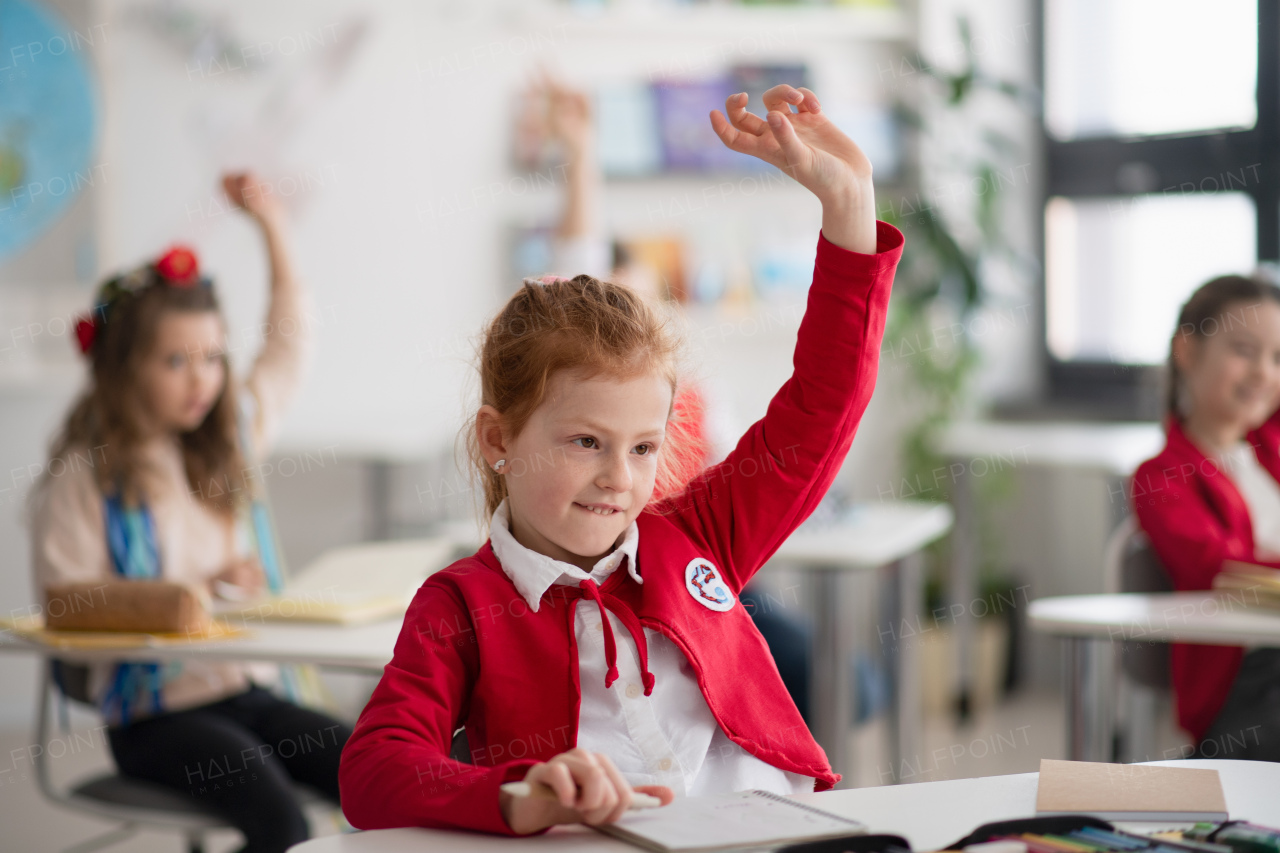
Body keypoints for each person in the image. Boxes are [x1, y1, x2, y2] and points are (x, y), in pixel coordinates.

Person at [339, 83, 903, 835]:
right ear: (498, 439)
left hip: (788, 830)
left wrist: (849, 207)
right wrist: (519, 792)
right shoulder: (460, 605)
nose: (619, 477)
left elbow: (823, 404)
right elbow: (375, 766)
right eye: (585, 443)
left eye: (643, 447)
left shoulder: (699, 533)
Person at [29, 173, 351, 853]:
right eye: (176, 359)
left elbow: (291, 345)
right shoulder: (85, 479)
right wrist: (194, 594)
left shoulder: (227, 442)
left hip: (247, 690)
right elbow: (67, 602)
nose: (202, 376)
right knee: (279, 817)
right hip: (156, 715)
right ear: (123, 367)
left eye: (212, 356)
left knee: (365, 768)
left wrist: (269, 224)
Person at [535, 72, 814, 718]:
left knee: (791, 649)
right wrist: (579, 153)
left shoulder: (696, 394)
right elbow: (576, 258)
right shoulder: (578, 381)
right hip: (617, 581)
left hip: (694, 570)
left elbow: (747, 473)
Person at [1132, 273, 1280, 760]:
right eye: (1244, 350)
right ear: (1188, 351)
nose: (1263, 372)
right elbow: (1219, 569)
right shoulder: (1162, 476)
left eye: (1278, 358)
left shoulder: (1270, 450)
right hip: (1249, 691)